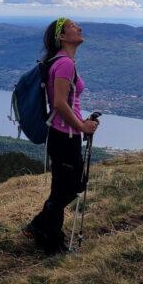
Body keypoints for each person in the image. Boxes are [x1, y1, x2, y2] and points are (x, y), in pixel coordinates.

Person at [23, 17, 99, 254]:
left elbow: (66, 103)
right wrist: (82, 126)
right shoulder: (65, 63)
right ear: (62, 37)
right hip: (65, 136)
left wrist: (81, 122)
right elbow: (59, 103)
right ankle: (51, 243)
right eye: (73, 27)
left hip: (62, 134)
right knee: (64, 190)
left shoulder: (58, 61)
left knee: (69, 186)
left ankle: (40, 228)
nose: (79, 28)